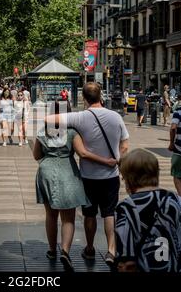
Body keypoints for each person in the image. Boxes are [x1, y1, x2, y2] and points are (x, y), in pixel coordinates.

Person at [45, 82, 129, 267]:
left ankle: (90, 248)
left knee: (89, 214)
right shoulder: (116, 116)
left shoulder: (80, 117)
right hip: (111, 175)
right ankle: (111, 251)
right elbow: (124, 145)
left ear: (84, 98)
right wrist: (118, 160)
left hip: (88, 176)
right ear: (101, 96)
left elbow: (50, 119)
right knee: (109, 213)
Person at [33, 100, 117, 271]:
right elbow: (83, 153)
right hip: (67, 172)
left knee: (50, 215)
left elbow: (36, 155)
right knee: (68, 217)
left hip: (46, 171)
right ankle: (65, 250)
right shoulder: (71, 132)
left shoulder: (43, 131)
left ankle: (51, 250)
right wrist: (107, 161)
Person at [115, 149, 181, 272]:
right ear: (155, 173)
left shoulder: (126, 208)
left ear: (129, 178)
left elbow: (127, 264)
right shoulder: (179, 201)